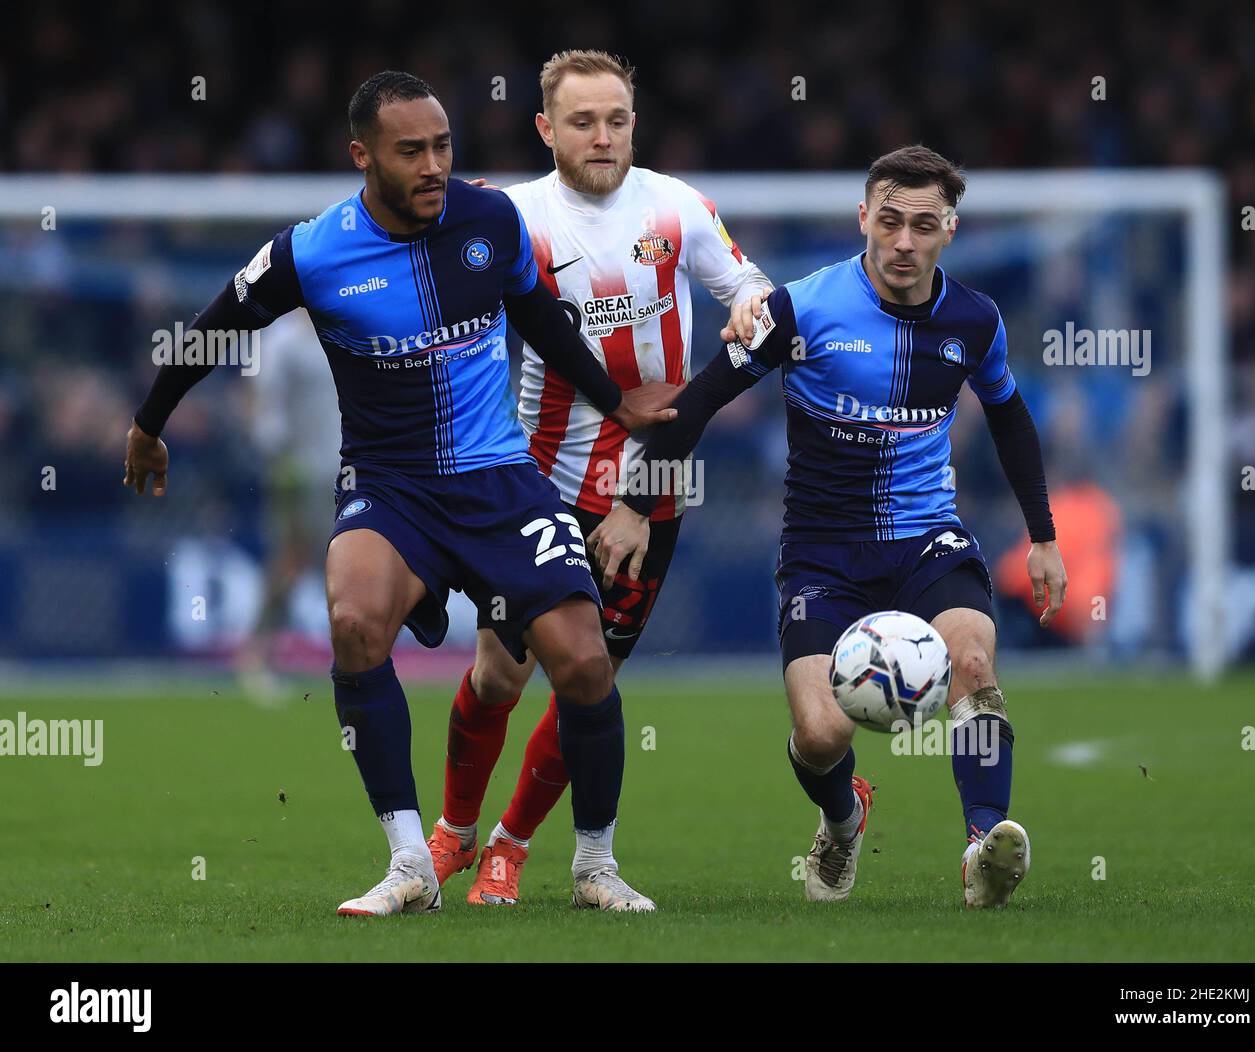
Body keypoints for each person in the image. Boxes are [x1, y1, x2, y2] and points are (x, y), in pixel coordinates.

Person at [122, 71, 677, 915]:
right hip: (389, 485)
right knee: (353, 622)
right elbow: (215, 328)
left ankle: (595, 865)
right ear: (362, 156)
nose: (432, 166)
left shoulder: (490, 219)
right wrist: (149, 422)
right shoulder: (312, 250)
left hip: (499, 480)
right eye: (410, 150)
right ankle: (411, 860)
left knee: (586, 662)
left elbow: (540, 319)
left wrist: (615, 400)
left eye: (443, 146)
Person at [590, 145, 1068, 909]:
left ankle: (984, 844)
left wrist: (1041, 537)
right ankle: (843, 823)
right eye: (889, 221)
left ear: (950, 229)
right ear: (863, 220)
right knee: (821, 736)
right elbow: (701, 399)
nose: (904, 242)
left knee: (974, 666)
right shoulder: (797, 310)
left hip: (926, 539)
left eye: (923, 225)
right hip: (823, 555)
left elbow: (1009, 417)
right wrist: (632, 505)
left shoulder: (975, 322)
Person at [426, 49, 771, 907]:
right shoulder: (511, 218)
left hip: (653, 493)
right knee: (501, 678)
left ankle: (514, 847)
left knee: (591, 682)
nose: (603, 135)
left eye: (617, 119)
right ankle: (453, 834)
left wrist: (749, 300)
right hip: (535, 487)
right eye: (582, 121)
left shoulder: (675, 206)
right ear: (546, 129)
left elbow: (750, 285)